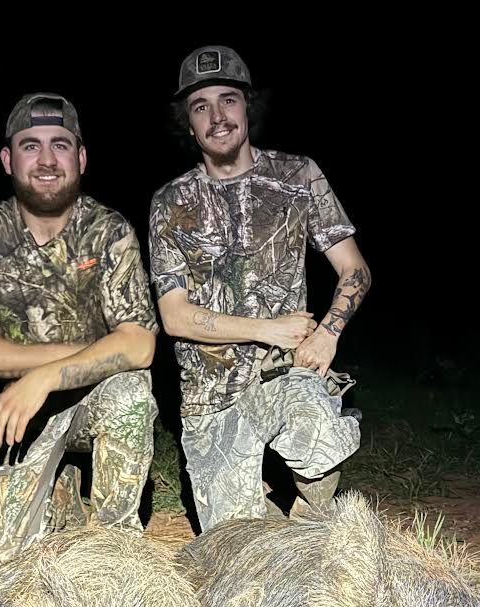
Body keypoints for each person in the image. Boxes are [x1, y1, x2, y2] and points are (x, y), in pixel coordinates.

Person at [148, 45, 371, 530]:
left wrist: (327, 334)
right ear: (189, 124)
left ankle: (317, 517)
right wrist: (266, 329)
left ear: (247, 106)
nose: (217, 117)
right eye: (200, 106)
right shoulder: (170, 201)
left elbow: (355, 270)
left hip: (285, 375)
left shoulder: (298, 175)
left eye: (228, 100)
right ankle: (265, 513)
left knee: (317, 431)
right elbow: (174, 317)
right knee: (236, 543)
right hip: (210, 395)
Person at [0, 93, 159, 574]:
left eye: (60, 145)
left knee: (130, 393)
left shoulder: (109, 230)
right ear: (8, 159)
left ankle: (114, 548)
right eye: (30, 146)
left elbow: (140, 344)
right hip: (13, 410)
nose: (46, 160)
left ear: (80, 158)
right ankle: (61, 489)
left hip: (90, 399)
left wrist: (45, 376)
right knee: (1, 560)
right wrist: (86, 352)